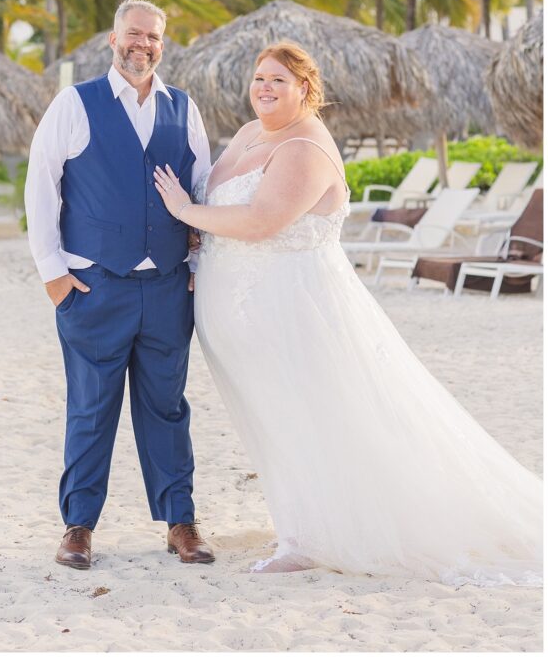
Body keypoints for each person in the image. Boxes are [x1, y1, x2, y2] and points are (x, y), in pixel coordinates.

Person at [153, 41, 542, 585]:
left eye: (279, 81)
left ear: (306, 90)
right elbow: (225, 212)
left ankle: (313, 538)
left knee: (310, 416)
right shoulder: (247, 134)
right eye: (260, 78)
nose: (264, 87)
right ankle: (300, 522)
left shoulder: (305, 147)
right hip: (234, 311)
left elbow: (264, 220)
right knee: (273, 420)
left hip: (289, 308)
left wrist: (183, 210)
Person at [25, 0, 215, 569]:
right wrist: (55, 277)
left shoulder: (184, 108)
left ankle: (180, 521)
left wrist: (196, 271)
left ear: (163, 43)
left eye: (153, 37)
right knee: (91, 407)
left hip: (165, 287)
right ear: (113, 40)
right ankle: (78, 527)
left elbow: (202, 193)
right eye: (134, 35)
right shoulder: (74, 104)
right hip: (93, 288)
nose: (143, 45)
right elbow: (41, 187)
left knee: (167, 407)